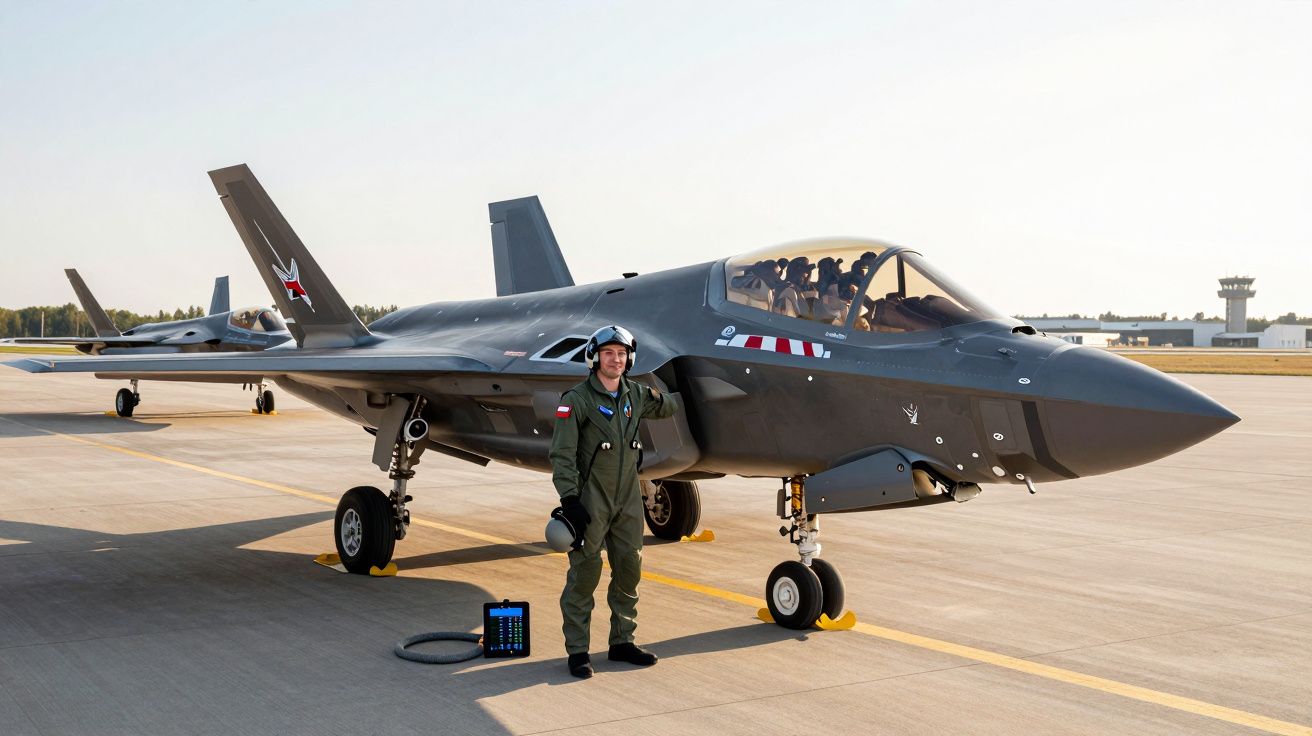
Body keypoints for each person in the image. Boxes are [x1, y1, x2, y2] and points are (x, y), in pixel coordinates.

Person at [549, 324, 679, 678]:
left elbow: (668, 407)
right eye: (609, 353)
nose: (616, 360)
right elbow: (561, 455)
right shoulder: (576, 401)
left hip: (628, 497)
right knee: (584, 574)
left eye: (622, 354)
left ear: (629, 358)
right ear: (594, 358)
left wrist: (675, 370)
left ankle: (622, 641)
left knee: (629, 569)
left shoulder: (636, 395)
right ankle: (578, 651)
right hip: (592, 499)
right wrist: (570, 500)